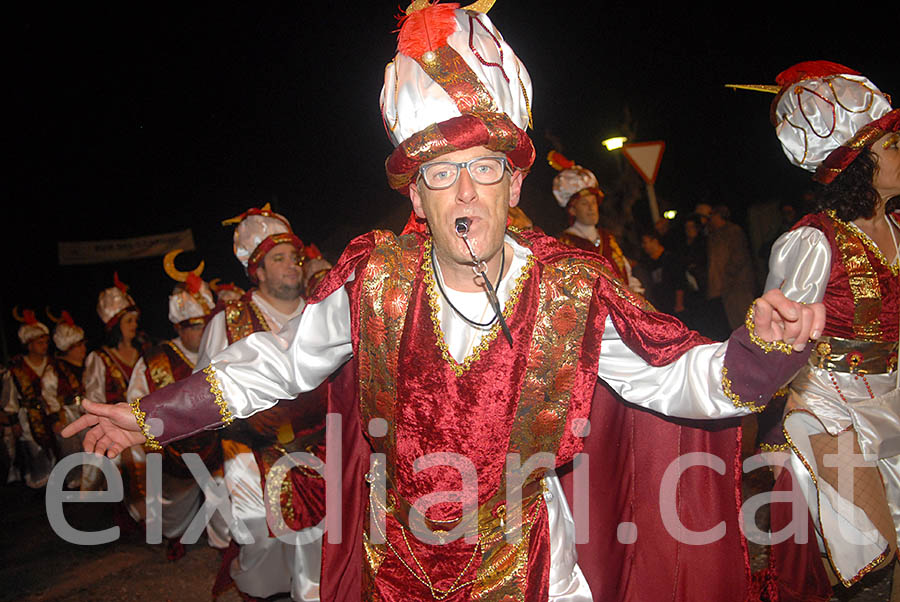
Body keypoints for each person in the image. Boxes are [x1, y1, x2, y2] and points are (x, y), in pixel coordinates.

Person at [66, 5, 824, 601]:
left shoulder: (571, 289)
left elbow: (676, 379)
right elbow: (277, 364)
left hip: (531, 568)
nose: (465, 191)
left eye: (484, 167)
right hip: (395, 571)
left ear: (514, 184)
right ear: (415, 199)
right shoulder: (376, 279)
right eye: (440, 174)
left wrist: (762, 357)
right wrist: (149, 416)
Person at [739, 61, 900, 599]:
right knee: (871, 553)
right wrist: (773, 425)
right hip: (829, 407)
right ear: (859, 166)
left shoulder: (898, 227)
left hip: (893, 398)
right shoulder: (811, 241)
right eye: (894, 147)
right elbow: (779, 342)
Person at [197, 204, 331, 601]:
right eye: (279, 258)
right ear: (257, 269)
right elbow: (206, 395)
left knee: (320, 552)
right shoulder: (227, 321)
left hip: (323, 450)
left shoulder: (320, 314)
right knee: (263, 557)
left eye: (294, 257)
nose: (292, 265)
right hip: (250, 454)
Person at [125, 251, 221, 559]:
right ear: (178, 327)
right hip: (177, 453)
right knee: (174, 504)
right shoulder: (155, 361)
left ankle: (228, 544)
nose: (203, 332)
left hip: (222, 447)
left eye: (207, 323)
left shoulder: (224, 351)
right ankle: (175, 534)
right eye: (195, 325)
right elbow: (136, 405)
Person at [82, 274, 147, 524]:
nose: (134, 325)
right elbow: (95, 399)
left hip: (146, 424)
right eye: (128, 321)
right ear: (114, 325)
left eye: (135, 320)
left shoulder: (142, 352)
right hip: (116, 428)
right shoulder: (99, 358)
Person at [547, 150, 637, 288]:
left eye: (593, 202)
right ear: (572, 209)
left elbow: (627, 277)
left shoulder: (608, 238)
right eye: (584, 203)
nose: (591, 208)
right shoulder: (564, 244)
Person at [2, 309, 54, 488]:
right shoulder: (17, 369)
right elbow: (10, 398)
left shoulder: (53, 364)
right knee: (35, 451)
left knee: (55, 447)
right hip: (28, 417)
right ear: (29, 344)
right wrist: (14, 421)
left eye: (46, 342)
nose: (44, 345)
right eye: (40, 342)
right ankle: (39, 483)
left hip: (50, 413)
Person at [41, 310, 88, 489]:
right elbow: (48, 393)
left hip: (87, 411)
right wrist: (55, 417)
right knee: (72, 451)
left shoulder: (89, 365)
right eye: (79, 346)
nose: (84, 349)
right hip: (67, 414)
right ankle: (75, 483)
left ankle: (95, 479)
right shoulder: (54, 370)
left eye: (84, 344)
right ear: (68, 348)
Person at [706, 204, 757, 337]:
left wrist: (728, 274)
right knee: (735, 322)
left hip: (739, 284)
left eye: (713, 216)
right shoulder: (714, 235)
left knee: (747, 319)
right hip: (726, 287)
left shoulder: (733, 231)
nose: (710, 219)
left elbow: (739, 256)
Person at [639, 229, 685, 316]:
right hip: (662, 307)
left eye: (645, 242)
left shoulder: (670, 259)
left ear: (655, 241)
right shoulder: (649, 264)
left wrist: (679, 304)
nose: (643, 246)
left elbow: (680, 282)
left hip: (675, 306)